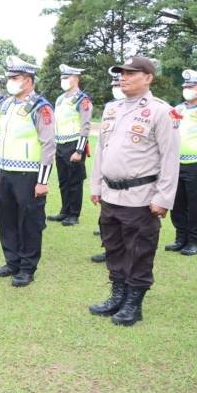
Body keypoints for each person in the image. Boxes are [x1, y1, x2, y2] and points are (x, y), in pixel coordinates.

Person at [88, 56, 180, 326]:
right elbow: (102, 152)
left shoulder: (162, 111)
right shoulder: (112, 109)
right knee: (114, 247)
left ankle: (133, 304)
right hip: (111, 194)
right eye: (121, 73)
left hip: (141, 196)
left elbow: (170, 158)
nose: (123, 78)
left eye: (130, 73)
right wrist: (96, 186)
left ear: (148, 77)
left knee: (139, 251)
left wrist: (163, 198)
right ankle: (117, 295)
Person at [0, 56, 54, 287]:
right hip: (6, 171)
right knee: (6, 219)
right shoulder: (7, 105)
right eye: (9, 77)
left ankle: (27, 268)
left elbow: (48, 144)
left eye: (15, 78)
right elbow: (4, 141)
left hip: (29, 174)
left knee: (29, 222)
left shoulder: (40, 106)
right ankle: (12, 261)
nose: (10, 82)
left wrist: (43, 180)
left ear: (28, 80)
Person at [165, 69, 197, 256]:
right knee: (177, 204)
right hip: (177, 163)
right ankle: (180, 238)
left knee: (195, 205)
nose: (186, 90)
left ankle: (193, 241)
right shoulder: (179, 109)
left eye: (191, 87)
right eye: (185, 87)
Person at [47, 64, 92, 226]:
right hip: (60, 144)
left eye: (66, 77)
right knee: (63, 180)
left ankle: (74, 214)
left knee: (75, 181)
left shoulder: (82, 99)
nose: (63, 80)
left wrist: (79, 150)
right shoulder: (60, 99)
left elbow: (85, 125)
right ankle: (64, 211)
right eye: (62, 77)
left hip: (74, 144)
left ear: (76, 79)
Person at [91, 70, 125, 263]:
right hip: (108, 170)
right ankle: (109, 249)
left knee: (127, 217)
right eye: (113, 85)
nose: (116, 89)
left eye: (118, 85)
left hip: (131, 174)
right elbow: (102, 143)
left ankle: (124, 251)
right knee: (107, 214)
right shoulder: (109, 108)